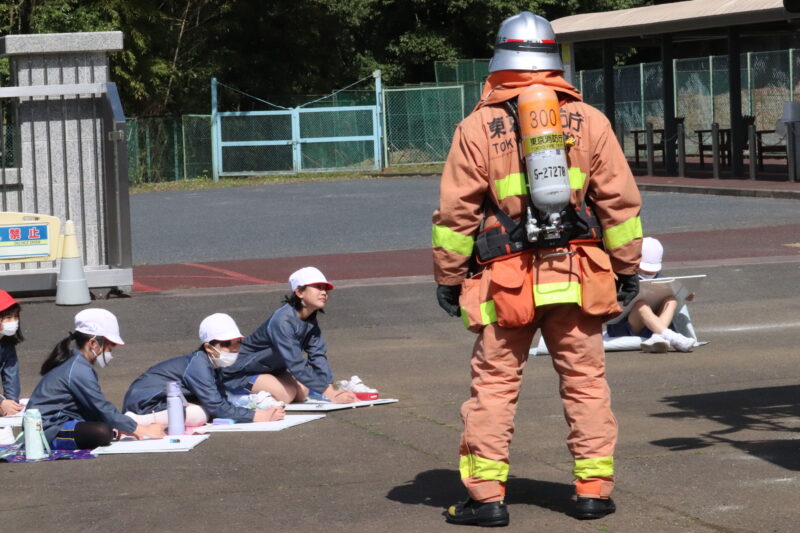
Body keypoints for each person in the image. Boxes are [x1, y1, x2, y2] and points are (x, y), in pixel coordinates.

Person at [432, 12, 643, 526]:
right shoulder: (589, 120)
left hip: (505, 282)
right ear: (553, 57)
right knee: (586, 384)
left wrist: (448, 275)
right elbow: (618, 202)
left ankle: (486, 499)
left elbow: (456, 214)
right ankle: (592, 491)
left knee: (494, 389)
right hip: (577, 275)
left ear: (501, 56)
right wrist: (627, 267)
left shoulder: (477, 126)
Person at [27, 308, 165, 450]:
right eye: (109, 348)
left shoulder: (77, 363)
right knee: (102, 432)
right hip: (47, 429)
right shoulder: (78, 369)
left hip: (63, 422)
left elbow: (92, 407)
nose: (110, 354)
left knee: (107, 428)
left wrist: (122, 426)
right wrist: (142, 430)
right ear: (93, 343)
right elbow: (101, 407)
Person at [221, 267, 358, 404]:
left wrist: (330, 388)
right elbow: (295, 362)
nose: (323, 293)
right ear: (299, 292)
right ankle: (232, 397)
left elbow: (317, 355)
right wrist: (330, 394)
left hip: (272, 370)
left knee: (302, 393)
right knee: (286, 396)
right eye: (317, 287)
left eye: (325, 289)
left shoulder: (310, 320)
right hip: (240, 373)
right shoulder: (282, 321)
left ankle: (266, 388)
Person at [123, 313, 284, 426]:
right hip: (143, 404)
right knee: (199, 414)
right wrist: (258, 416)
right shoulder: (199, 366)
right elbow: (217, 407)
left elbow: (221, 401)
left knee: (204, 411)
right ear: (209, 347)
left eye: (238, 342)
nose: (235, 348)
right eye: (227, 344)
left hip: (154, 400)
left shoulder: (212, 364)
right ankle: (134, 421)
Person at [606, 237, 695, 353]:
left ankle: (658, 337)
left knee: (671, 300)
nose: (649, 274)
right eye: (645, 270)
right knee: (641, 305)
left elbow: (687, 296)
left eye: (652, 272)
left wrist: (686, 293)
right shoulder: (622, 277)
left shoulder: (660, 279)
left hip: (652, 327)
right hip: (624, 326)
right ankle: (672, 337)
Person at [0, 290, 23, 417]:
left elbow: (11, 374)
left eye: (15, 317)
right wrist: (2, 402)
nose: (13, 322)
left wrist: (13, 404)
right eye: (8, 318)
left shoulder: (6, 344)